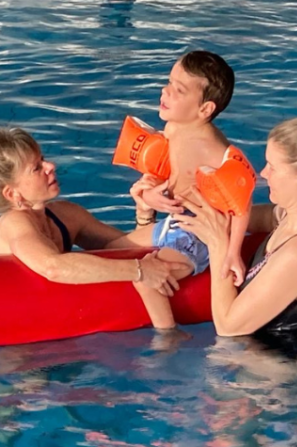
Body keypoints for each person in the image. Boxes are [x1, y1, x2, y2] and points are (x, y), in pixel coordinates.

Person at [173, 117, 297, 339]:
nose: (263, 174)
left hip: (272, 368)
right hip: (255, 355)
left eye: (272, 167)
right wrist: (209, 208)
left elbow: (228, 327)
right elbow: (262, 217)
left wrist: (219, 245)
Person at [0, 127, 186, 295]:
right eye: (37, 168)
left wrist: (144, 212)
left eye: (44, 159)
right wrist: (139, 271)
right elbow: (53, 267)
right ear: (12, 193)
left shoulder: (66, 215)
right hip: (20, 350)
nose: (51, 166)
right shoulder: (13, 223)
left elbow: (124, 248)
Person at [111, 50, 250, 329]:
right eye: (169, 82)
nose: (166, 91)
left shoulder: (212, 147)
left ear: (205, 109)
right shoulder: (173, 127)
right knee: (112, 249)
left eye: (179, 89)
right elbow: (162, 164)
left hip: (194, 233)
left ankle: (168, 336)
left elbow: (241, 204)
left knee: (146, 282)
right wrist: (150, 195)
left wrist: (232, 253)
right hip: (172, 221)